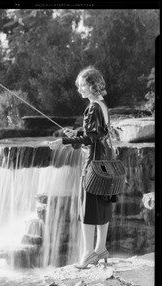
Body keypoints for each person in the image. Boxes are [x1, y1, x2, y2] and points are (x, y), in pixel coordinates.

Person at [46, 65, 117, 269]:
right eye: (79, 86)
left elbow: (91, 138)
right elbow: (97, 135)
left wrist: (63, 142)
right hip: (106, 162)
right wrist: (76, 135)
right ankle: (101, 248)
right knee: (103, 203)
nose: (80, 90)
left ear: (93, 85)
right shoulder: (102, 105)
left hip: (93, 164)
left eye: (83, 85)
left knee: (87, 207)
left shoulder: (93, 107)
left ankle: (88, 254)